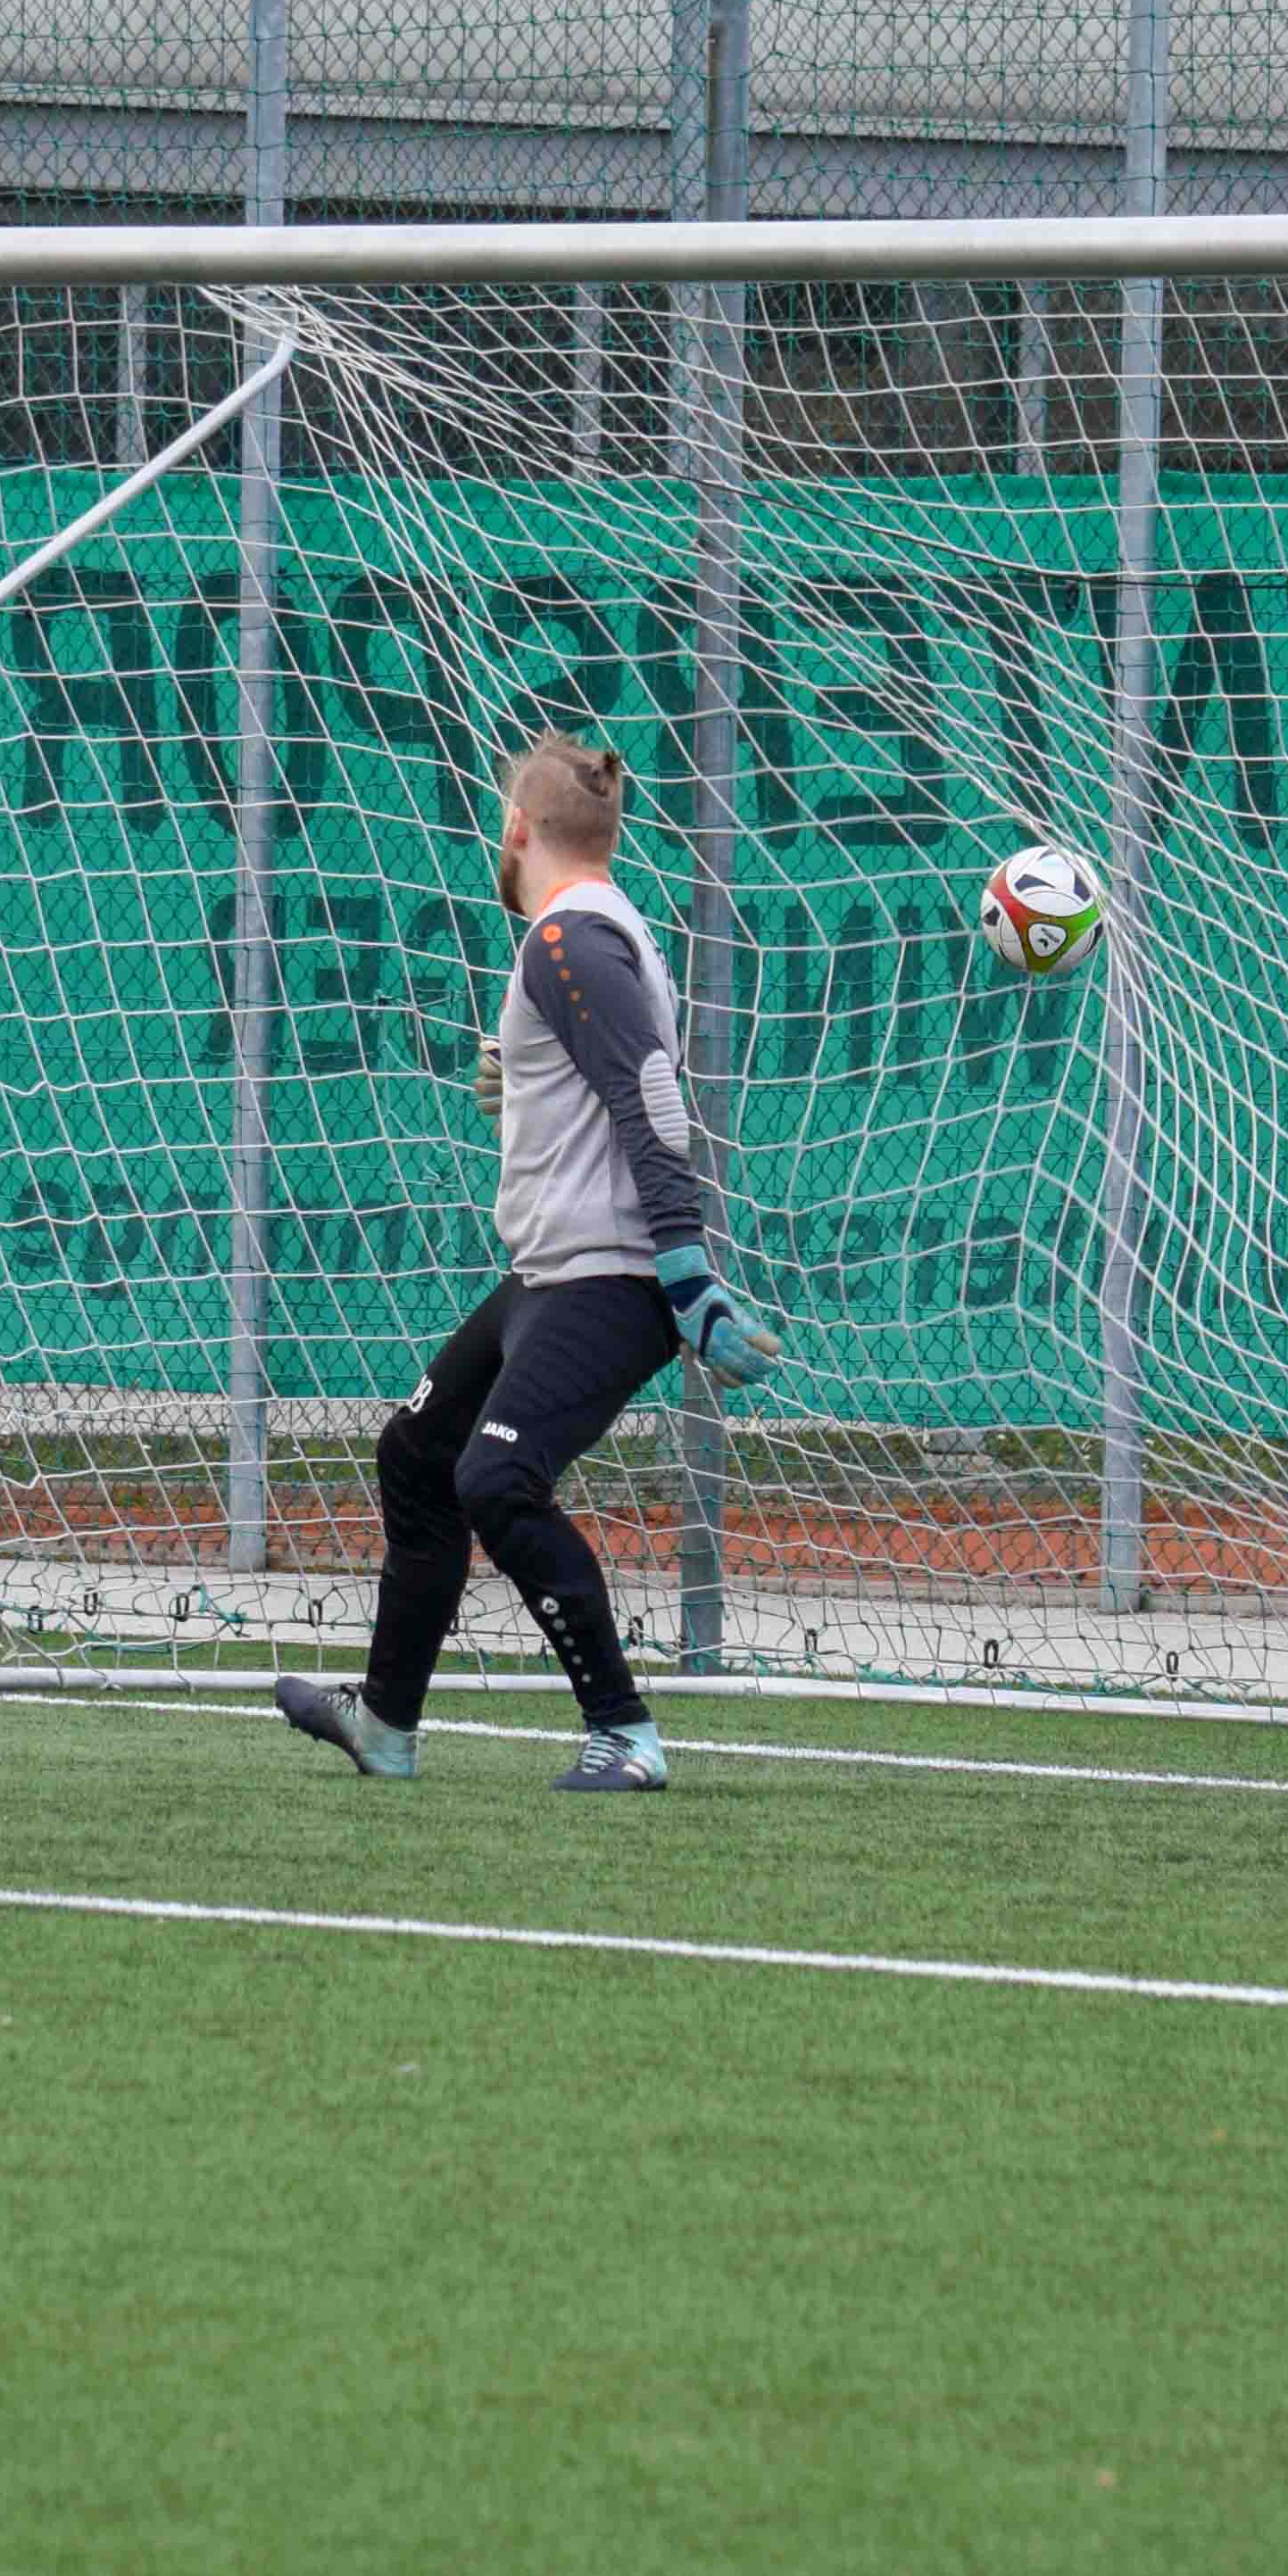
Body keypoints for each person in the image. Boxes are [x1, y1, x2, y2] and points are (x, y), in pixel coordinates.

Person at [272, 731, 779, 1793]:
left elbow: (648, 1094)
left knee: (497, 1476)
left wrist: (687, 1274)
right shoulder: (593, 929)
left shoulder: (567, 937)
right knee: (418, 1452)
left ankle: (624, 1734)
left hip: (612, 1275)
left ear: (515, 827)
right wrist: (524, 1076)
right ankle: (386, 1725)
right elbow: (608, 1071)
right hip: (557, 1271)